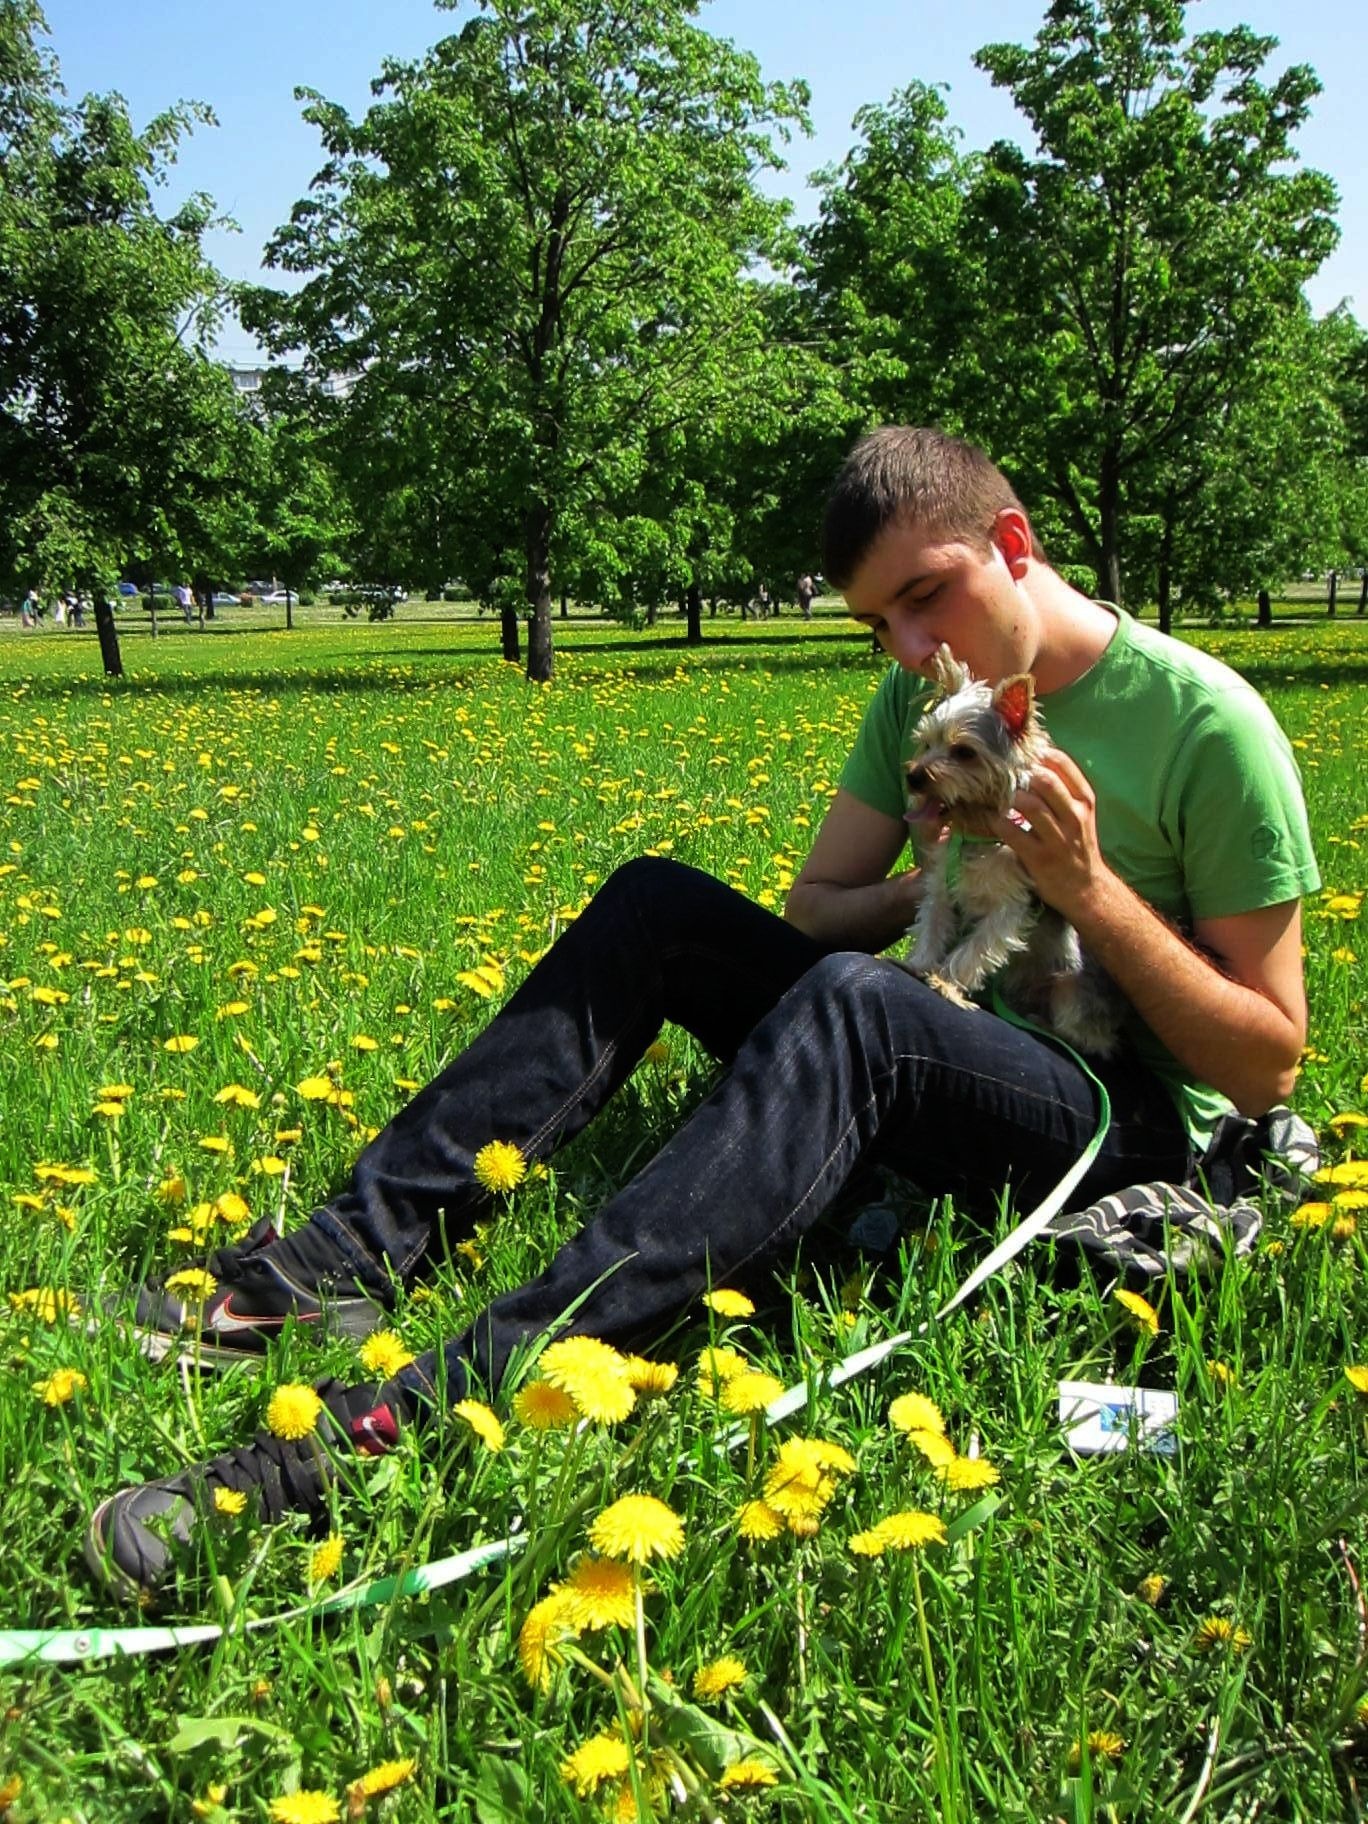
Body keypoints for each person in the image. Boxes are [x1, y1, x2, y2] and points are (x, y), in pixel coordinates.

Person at [85, 426, 1319, 1598]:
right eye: (876, 624)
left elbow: (1267, 1067)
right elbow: (819, 910)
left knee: (863, 1008)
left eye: (924, 597)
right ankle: (342, 1260)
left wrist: (1087, 890)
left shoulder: (1206, 724)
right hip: (932, 1038)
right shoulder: (931, 701)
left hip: (1107, 1121)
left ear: (1011, 542)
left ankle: (419, 1415)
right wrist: (932, 875)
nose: (904, 646)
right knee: (659, 904)